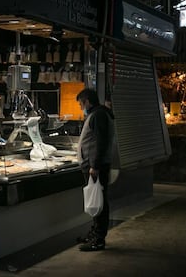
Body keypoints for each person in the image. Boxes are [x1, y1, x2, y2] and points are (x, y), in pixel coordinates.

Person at [76, 88, 115, 252]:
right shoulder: (99, 113)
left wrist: (95, 166)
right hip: (94, 165)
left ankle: (98, 239)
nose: (80, 107)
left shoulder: (98, 115)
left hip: (96, 167)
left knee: (99, 201)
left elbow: (101, 141)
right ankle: (95, 234)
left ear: (87, 101)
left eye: (81, 104)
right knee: (96, 200)